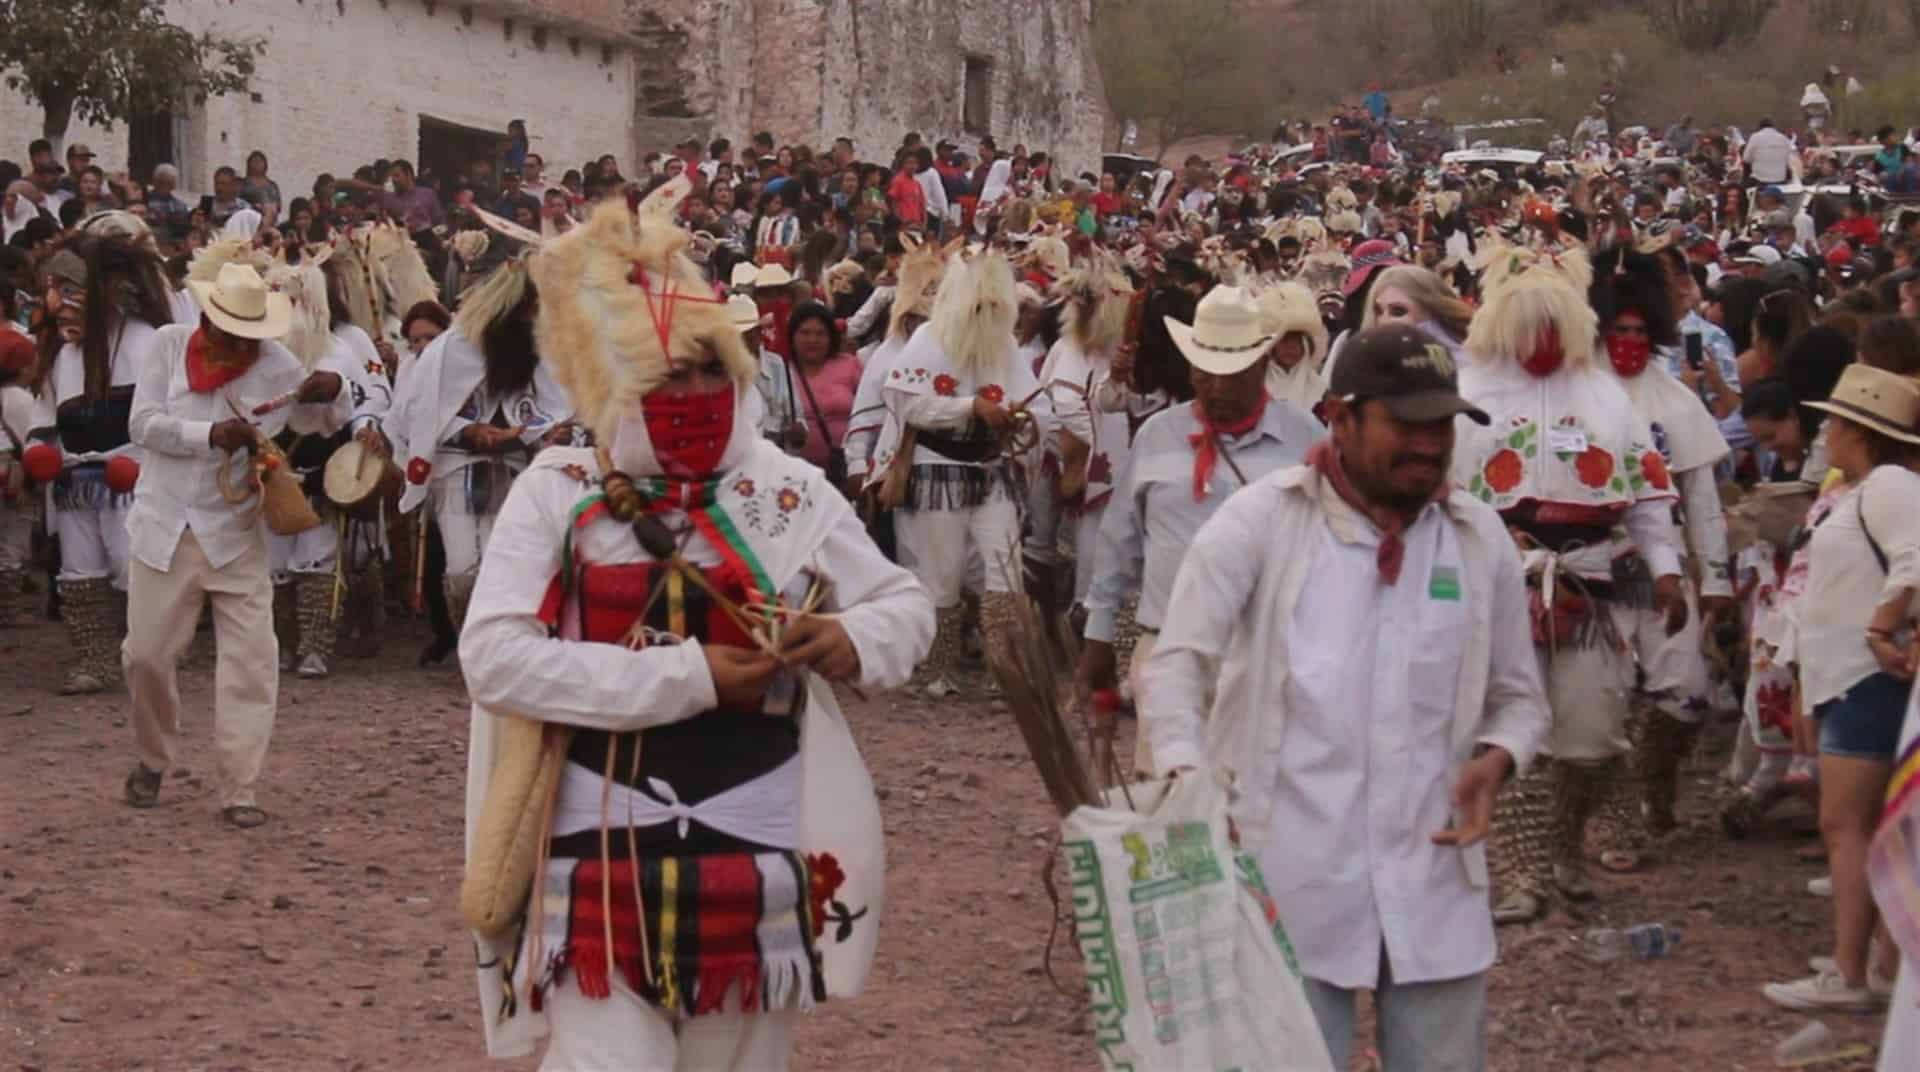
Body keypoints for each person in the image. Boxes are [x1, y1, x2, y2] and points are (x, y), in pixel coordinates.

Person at [461, 175, 931, 1069]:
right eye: (673, 370)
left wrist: (847, 640)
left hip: (758, 855)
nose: (698, 387)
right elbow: (493, 660)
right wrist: (691, 677)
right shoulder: (556, 493)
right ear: (619, 373)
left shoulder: (786, 491)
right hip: (590, 853)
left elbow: (904, 607)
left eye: (714, 366)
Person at [1141, 322, 1548, 1070]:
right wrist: (1185, 778)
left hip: (1433, 882)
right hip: (1290, 877)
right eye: (1407, 424)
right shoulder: (1262, 522)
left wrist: (1500, 758)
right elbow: (1176, 664)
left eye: (1443, 427)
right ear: (1341, 415)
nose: (1429, 445)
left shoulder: (1478, 538)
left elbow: (1520, 697)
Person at [1453, 245, 1687, 925]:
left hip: (1593, 582)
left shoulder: (1606, 395)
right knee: (1507, 729)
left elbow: (1646, 496)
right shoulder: (1469, 393)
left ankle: (1562, 846)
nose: (1543, 341)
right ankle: (1521, 872)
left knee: (1591, 735)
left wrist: (1666, 572)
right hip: (1499, 579)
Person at [121, 261, 349, 828]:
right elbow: (141, 424)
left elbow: (323, 419)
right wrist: (210, 435)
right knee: (144, 656)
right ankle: (153, 757)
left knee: (251, 661)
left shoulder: (277, 365)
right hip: (164, 527)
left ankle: (240, 788)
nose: (240, 343)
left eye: (250, 334)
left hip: (236, 532)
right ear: (205, 317)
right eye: (229, 331)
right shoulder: (168, 347)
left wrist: (335, 388)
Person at [1080, 284, 1328, 775]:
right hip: (1168, 647)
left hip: (1269, 657)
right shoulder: (1157, 436)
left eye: (1230, 375)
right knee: (1171, 804)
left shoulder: (1306, 439)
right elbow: (1118, 543)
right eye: (1203, 373)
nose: (1214, 388)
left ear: (1260, 368)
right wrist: (1099, 636)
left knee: (1259, 804)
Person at [1764, 364, 1920, 1013]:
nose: (1824, 431)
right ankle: (1876, 961)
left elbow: (1914, 557)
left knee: (1847, 824)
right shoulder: (1866, 489)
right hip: (1851, 678)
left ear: (1858, 429)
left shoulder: (1888, 485)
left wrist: (1883, 626)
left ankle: (1852, 973)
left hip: (1867, 680)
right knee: (1871, 824)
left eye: (1833, 421)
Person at [1588, 249, 1733, 872]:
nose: (1628, 341)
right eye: (1618, 330)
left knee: (1689, 692)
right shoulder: (1571, 396)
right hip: (1593, 568)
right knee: (1602, 705)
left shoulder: (1677, 402)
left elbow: (1702, 500)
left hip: (1668, 568)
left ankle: (1655, 782)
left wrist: (1719, 576)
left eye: (1639, 331)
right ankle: (1609, 823)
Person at [871, 250, 1048, 696]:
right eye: (980, 308)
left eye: (995, 309)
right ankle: (936, 668)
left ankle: (1005, 667)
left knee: (1004, 565)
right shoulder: (930, 338)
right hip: (937, 471)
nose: (987, 317)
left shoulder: (1006, 346)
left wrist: (1018, 418)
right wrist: (970, 407)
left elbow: (1036, 401)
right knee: (940, 573)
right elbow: (908, 403)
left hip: (990, 469)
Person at [390, 234, 573, 656]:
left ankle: (490, 650)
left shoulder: (531, 350)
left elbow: (546, 406)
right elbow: (412, 412)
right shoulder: (450, 351)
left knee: (498, 561)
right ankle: (471, 641)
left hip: (510, 469)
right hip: (455, 468)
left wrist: (541, 434)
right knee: (461, 568)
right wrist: (466, 431)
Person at [40, 235, 175, 694]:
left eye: (71, 293)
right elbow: (49, 415)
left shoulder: (147, 342)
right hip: (76, 483)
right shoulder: (66, 356)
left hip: (131, 480)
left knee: (132, 567)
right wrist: (44, 448)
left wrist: (142, 465)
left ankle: (148, 657)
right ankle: (95, 661)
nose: (59, 306)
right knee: (79, 571)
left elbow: (165, 416)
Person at [785, 301, 861, 476]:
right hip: (796, 475)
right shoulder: (781, 369)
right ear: (792, 336)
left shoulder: (849, 364)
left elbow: (867, 415)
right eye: (805, 333)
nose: (813, 340)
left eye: (820, 334)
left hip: (845, 471)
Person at [1256, 280, 1332, 417]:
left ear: (1306, 347)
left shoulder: (1319, 391)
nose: (1291, 347)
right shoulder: (1256, 386)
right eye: (1284, 340)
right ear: (1272, 346)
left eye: (1297, 341)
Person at [1743, 118, 1794, 186]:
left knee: (1746, 167)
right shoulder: (1783, 138)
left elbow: (1746, 159)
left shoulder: (1755, 137)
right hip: (1780, 180)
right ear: (1773, 127)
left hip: (1759, 180)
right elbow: (1788, 161)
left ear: (1759, 127)